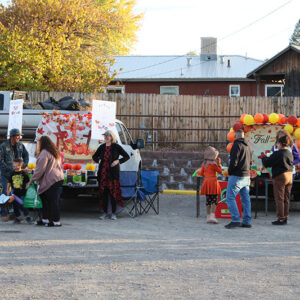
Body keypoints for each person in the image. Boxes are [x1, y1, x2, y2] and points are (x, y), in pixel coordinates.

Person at [26, 136, 64, 227]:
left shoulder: (44, 153)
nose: (38, 145)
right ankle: (45, 219)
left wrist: (31, 181)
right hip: (57, 178)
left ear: (42, 143)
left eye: (38, 143)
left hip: (51, 180)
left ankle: (55, 221)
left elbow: (39, 170)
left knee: (51, 201)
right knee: (45, 200)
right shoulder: (55, 153)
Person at [92, 130, 129, 220]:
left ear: (112, 137)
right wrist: (98, 160)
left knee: (113, 194)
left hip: (113, 174)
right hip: (103, 174)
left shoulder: (116, 147)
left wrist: (118, 161)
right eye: (105, 136)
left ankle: (113, 213)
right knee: (103, 194)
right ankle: (104, 212)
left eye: (108, 136)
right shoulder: (101, 147)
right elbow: (94, 156)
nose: (106, 137)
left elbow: (126, 156)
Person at [262, 135, 293, 225]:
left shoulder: (278, 153)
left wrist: (264, 157)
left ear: (279, 144)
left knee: (279, 197)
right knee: (286, 198)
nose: (277, 146)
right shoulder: (289, 153)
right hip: (289, 175)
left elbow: (267, 163)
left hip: (280, 176)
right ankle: (285, 216)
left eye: (277, 144)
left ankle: (281, 218)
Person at [225, 129, 252, 229]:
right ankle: (247, 221)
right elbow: (250, 161)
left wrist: (230, 172)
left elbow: (233, 161)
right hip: (247, 176)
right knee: (246, 199)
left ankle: (235, 219)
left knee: (230, 197)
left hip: (237, 175)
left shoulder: (236, 145)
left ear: (235, 137)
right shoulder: (248, 145)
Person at [0, 128, 29, 221]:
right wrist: (10, 169)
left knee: (17, 194)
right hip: (6, 174)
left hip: (18, 175)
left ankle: (15, 213)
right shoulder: (3, 146)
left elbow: (26, 155)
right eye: (17, 136)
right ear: (12, 137)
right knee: (5, 192)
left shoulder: (20, 145)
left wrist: (24, 165)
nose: (18, 138)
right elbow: (1, 161)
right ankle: (3, 213)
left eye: (19, 136)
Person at [271, 130, 300, 198]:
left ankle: (285, 208)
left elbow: (298, 158)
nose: (281, 138)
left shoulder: (292, 147)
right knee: (279, 195)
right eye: (279, 137)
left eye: (283, 136)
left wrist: (290, 164)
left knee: (286, 194)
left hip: (289, 173)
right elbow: (272, 158)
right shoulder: (274, 147)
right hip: (278, 173)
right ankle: (280, 208)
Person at [198, 146, 222, 224]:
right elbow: (220, 171)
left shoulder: (204, 164)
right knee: (214, 200)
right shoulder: (214, 164)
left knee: (208, 200)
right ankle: (212, 216)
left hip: (206, 182)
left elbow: (201, 173)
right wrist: (219, 163)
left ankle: (208, 216)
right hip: (213, 182)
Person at [7, 158, 32, 224]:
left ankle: (27, 216)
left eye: (15, 164)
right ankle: (18, 217)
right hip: (14, 193)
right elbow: (9, 182)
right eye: (13, 164)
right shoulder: (12, 173)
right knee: (15, 205)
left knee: (23, 205)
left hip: (22, 193)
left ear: (20, 165)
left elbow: (28, 181)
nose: (13, 165)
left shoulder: (24, 173)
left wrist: (28, 185)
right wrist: (8, 190)